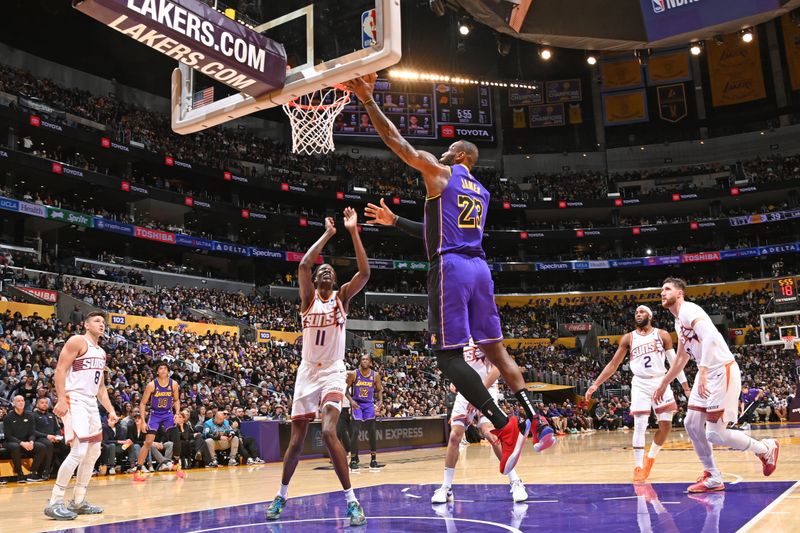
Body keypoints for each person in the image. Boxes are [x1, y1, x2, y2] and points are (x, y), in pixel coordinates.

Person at [359, 167, 553, 476]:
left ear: (461, 156)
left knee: (447, 357)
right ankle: (539, 420)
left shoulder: (442, 178)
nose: (444, 155)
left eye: (450, 151)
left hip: (452, 269)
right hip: (479, 267)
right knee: (498, 352)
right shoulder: (480, 191)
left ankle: (506, 427)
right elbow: (432, 229)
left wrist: (373, 115)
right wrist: (395, 220)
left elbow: (406, 152)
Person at [266, 208, 370, 526]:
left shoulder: (341, 298)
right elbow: (303, 263)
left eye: (329, 271)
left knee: (327, 431)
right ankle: (281, 495)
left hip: (334, 370)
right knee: (296, 441)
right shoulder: (308, 299)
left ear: (335, 280)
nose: (324, 272)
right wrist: (327, 235)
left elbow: (364, 274)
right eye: (320, 271)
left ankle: (352, 501)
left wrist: (353, 232)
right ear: (314, 280)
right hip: (307, 371)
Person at [654, 278, 779, 493]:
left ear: (680, 293)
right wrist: (664, 382)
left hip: (721, 370)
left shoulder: (688, 309)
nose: (662, 293)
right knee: (691, 424)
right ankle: (712, 476)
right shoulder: (678, 320)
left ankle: (765, 448)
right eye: (661, 290)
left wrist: (702, 371)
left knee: (714, 434)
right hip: (707, 373)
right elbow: (682, 358)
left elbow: (711, 336)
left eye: (667, 289)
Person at [586, 305, 691, 483]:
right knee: (640, 423)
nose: (638, 314)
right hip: (640, 383)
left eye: (642, 312)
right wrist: (595, 385)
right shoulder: (628, 338)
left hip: (660, 380)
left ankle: (650, 458)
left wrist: (686, 387)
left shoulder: (662, 335)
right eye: (636, 312)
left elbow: (674, 363)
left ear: (649, 315)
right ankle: (637, 466)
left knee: (666, 426)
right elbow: (613, 365)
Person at [431, 341, 528, 504]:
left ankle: (516, 481)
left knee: (490, 434)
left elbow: (498, 368)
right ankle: (446, 487)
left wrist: (477, 393)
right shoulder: (459, 337)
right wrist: (456, 380)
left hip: (486, 389)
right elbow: (458, 365)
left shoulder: (482, 333)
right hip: (465, 390)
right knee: (455, 436)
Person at [45, 311, 118, 520]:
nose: (101, 324)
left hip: (90, 402)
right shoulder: (77, 341)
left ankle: (78, 501)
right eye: (97, 321)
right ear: (86, 325)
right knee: (78, 451)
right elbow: (60, 369)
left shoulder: (102, 352)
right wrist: (60, 398)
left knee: (94, 451)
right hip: (74, 398)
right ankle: (55, 501)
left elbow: (101, 387)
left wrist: (111, 410)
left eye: (103, 322)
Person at [133, 363, 180, 481]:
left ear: (168, 371)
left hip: (168, 414)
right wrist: (143, 421)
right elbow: (143, 403)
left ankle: (176, 464)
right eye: (160, 368)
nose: (163, 370)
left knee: (176, 437)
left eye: (165, 368)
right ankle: (138, 469)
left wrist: (177, 413)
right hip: (155, 414)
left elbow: (177, 400)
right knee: (148, 442)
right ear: (157, 372)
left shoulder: (173, 384)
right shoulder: (151, 385)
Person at [346, 353, 383, 470]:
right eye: (362, 359)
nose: (364, 361)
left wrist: (380, 401)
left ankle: (373, 459)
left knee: (372, 432)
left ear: (370, 362)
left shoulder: (375, 375)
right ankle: (353, 459)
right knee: (355, 432)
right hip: (357, 405)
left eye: (366, 359)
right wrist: (351, 401)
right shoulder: (353, 374)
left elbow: (379, 390)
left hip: (369, 405)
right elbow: (345, 390)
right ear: (360, 361)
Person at [5, 395, 47, 483]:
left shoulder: (29, 415)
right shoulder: (8, 417)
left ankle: (32, 473)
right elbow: (8, 436)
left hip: (27, 441)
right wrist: (22, 443)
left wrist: (31, 441)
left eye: (22, 401)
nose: (21, 402)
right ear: (14, 403)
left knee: (42, 447)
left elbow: (32, 433)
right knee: (15, 446)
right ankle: (20, 474)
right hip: (12, 442)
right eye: (18, 401)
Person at [33, 397, 68, 480]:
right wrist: (47, 436)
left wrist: (57, 436)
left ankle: (63, 470)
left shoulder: (51, 415)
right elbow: (32, 431)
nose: (45, 404)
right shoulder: (33, 415)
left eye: (46, 402)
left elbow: (57, 429)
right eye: (42, 402)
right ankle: (46, 471)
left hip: (53, 438)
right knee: (48, 445)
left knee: (66, 443)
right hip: (40, 438)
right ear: (37, 404)